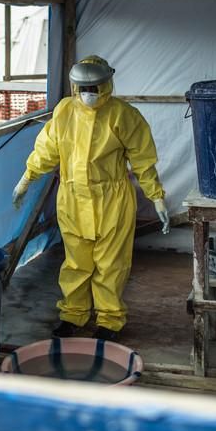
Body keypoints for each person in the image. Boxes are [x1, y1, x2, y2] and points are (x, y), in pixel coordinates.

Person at [12, 55, 169, 342]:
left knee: (111, 264)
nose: (89, 94)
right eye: (83, 88)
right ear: (74, 87)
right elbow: (47, 149)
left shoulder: (124, 115)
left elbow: (143, 160)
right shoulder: (64, 112)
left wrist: (156, 197)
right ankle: (73, 315)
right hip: (72, 199)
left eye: (95, 87)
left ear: (107, 84)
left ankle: (109, 320)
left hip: (113, 200)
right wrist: (28, 177)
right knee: (76, 263)